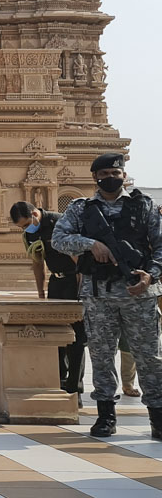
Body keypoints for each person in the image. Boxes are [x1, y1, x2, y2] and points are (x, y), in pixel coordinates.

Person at [52, 152, 162, 438]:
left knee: (149, 356)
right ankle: (105, 416)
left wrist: (151, 275)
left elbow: (160, 246)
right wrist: (90, 244)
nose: (110, 179)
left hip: (139, 292)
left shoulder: (143, 206)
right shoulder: (81, 209)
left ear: (123, 175)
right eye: (104, 175)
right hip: (98, 294)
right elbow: (58, 239)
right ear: (95, 178)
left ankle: (158, 417)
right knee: (102, 355)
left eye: (115, 174)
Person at [11, 200, 86, 406]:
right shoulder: (30, 234)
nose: (26, 229)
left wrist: (81, 290)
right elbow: (37, 262)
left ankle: (74, 388)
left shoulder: (60, 222)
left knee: (77, 337)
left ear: (35, 213)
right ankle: (60, 381)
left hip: (74, 280)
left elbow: (77, 257)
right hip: (56, 282)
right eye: (22, 227)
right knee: (56, 333)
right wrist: (40, 292)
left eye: (27, 224)